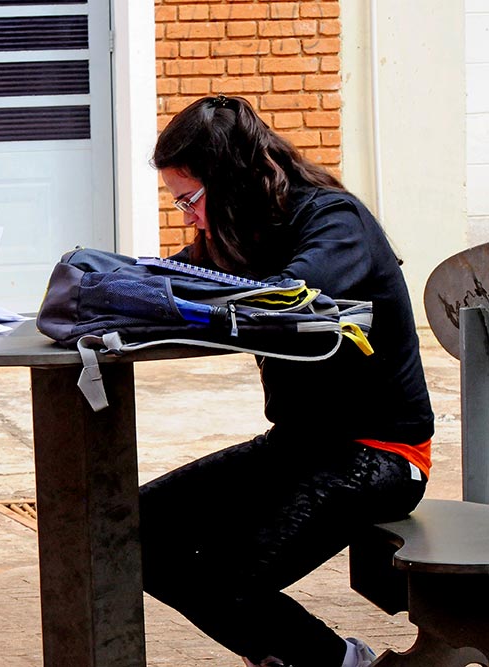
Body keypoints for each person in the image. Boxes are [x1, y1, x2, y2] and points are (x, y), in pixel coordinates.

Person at [139, 95, 434, 667]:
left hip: (380, 455)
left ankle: (338, 663)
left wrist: (192, 291)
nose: (189, 217)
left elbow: (285, 296)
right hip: (297, 446)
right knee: (134, 528)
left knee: (225, 578)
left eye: (191, 200)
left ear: (232, 180)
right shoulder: (241, 234)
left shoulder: (332, 221)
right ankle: (314, 658)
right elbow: (177, 281)